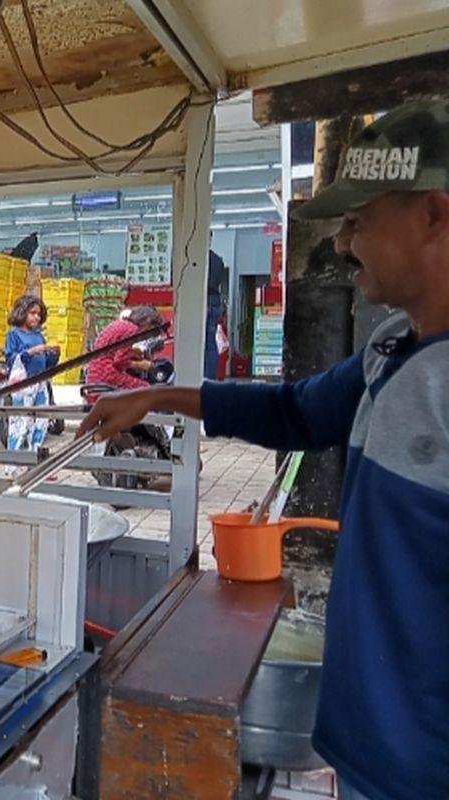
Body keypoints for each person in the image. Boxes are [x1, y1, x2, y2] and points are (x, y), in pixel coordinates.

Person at [78, 100, 449, 800]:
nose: (341, 244)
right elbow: (293, 412)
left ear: (433, 214)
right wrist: (159, 398)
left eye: (358, 219)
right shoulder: (389, 349)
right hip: (367, 749)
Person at [2, 294, 59, 457]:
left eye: (39, 314)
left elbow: (48, 364)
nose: (36, 317)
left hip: (40, 384)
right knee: (20, 423)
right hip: (23, 385)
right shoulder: (14, 335)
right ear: (22, 313)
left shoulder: (39, 336)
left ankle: (35, 458)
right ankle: (15, 462)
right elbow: (11, 360)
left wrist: (54, 355)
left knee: (41, 421)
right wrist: (30, 352)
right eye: (32, 313)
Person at [84, 305, 163, 401]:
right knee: (146, 388)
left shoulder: (119, 325)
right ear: (147, 322)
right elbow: (120, 362)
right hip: (106, 375)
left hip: (93, 377)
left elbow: (111, 351)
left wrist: (132, 353)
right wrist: (141, 365)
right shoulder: (132, 330)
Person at [205, 249, 228, 379]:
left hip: (203, 301)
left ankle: (200, 375)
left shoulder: (198, 259)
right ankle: (210, 377)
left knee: (200, 341)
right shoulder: (218, 260)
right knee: (211, 342)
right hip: (215, 302)